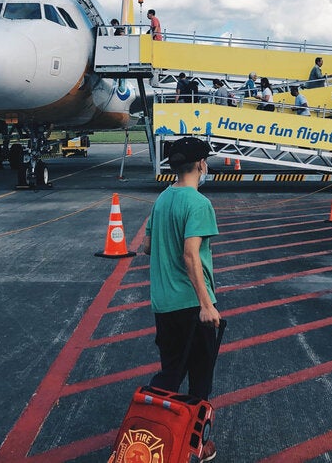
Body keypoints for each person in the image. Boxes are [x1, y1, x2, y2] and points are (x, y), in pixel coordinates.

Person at [140, 136, 221, 463]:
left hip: (163, 305)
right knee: (200, 382)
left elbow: (146, 247)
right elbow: (190, 255)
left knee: (170, 375)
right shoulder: (198, 203)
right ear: (201, 164)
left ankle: (153, 440)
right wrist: (206, 304)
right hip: (190, 306)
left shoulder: (162, 199)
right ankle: (196, 447)